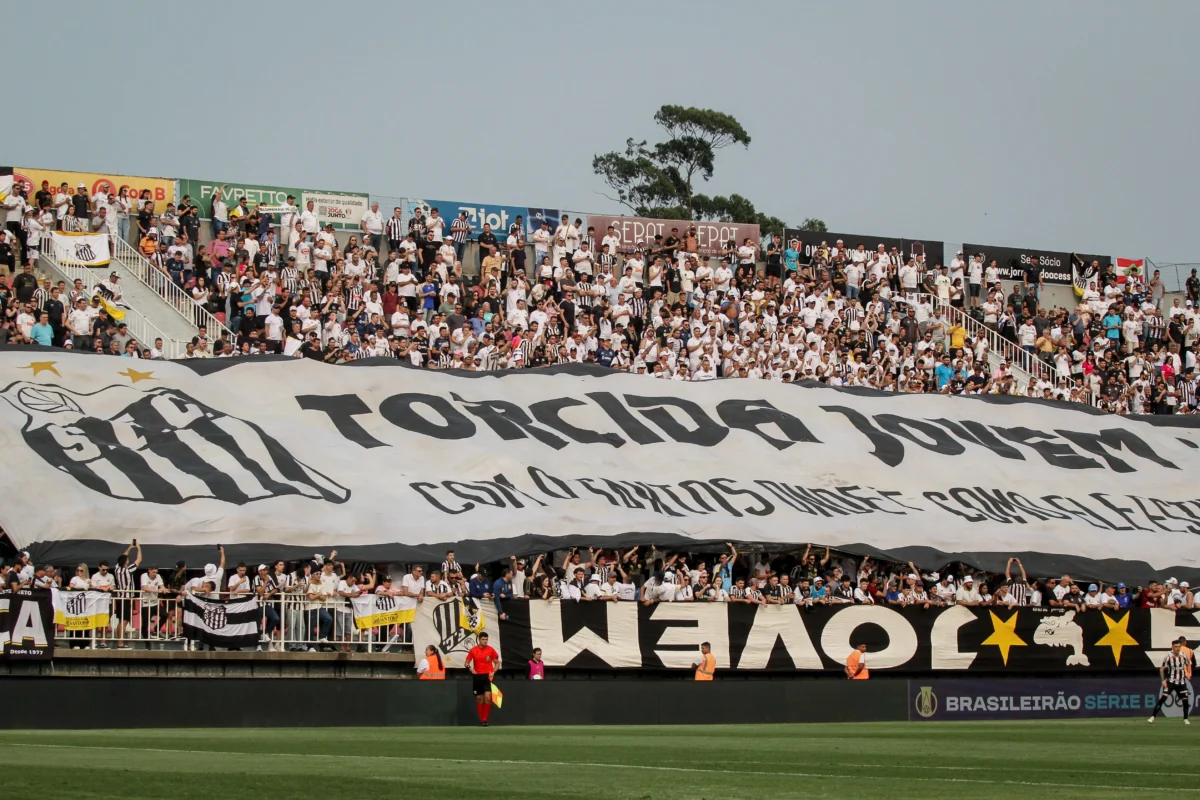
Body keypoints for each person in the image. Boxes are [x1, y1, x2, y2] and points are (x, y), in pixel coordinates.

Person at [1149, 638, 1192, 724]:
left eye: (1179, 646)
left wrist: (1188, 673)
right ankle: (1153, 716)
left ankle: (1185, 719)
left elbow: (1188, 664)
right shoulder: (1168, 657)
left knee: (1185, 700)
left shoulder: (1183, 655)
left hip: (1181, 682)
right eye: (1176, 647)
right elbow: (1162, 669)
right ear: (1172, 647)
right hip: (1171, 682)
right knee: (1163, 698)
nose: (1177, 648)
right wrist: (1163, 680)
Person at [465, 631, 501, 726]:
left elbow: (497, 662)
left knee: (488, 698)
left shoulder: (491, 650)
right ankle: (482, 720)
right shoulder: (473, 650)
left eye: (486, 639)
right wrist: (470, 668)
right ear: (479, 640)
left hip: (487, 676)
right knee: (479, 698)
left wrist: (493, 672)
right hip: (477, 676)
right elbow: (466, 663)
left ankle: (485, 719)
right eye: (483, 639)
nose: (485, 641)